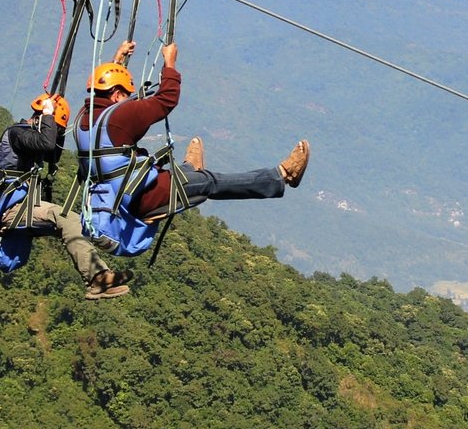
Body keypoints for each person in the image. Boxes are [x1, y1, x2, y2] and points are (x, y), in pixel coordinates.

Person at [75, 39, 309, 281]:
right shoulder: (122, 116)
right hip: (142, 198)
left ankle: (190, 168)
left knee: (186, 175)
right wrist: (170, 64)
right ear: (115, 95)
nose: (129, 99)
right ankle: (281, 176)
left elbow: (106, 97)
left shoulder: (85, 118)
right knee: (208, 183)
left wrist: (118, 60)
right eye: (126, 94)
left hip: (115, 199)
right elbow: (166, 99)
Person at [0, 41, 135, 299]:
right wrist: (50, 115)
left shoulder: (36, 140)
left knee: (78, 223)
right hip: (10, 210)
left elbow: (96, 109)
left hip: (24, 208)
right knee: (68, 218)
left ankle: (100, 274)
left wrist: (116, 64)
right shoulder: (18, 134)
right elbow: (46, 141)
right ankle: (97, 278)